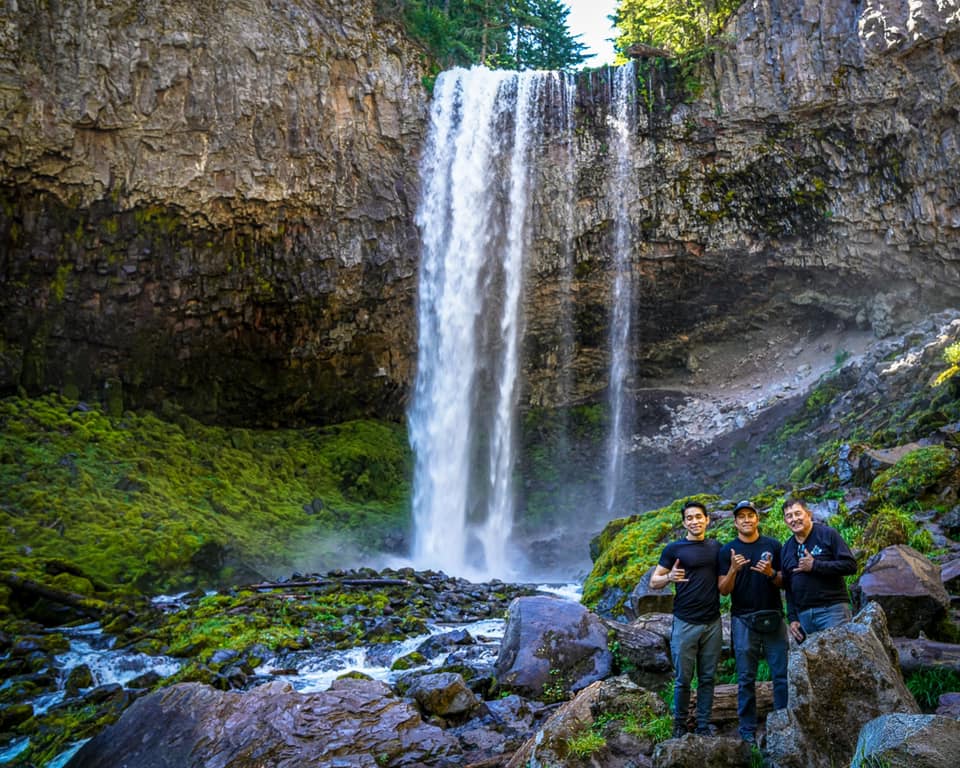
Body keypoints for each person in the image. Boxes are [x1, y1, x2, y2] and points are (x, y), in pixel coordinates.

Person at [718, 500, 789, 744]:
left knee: (781, 674)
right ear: (735, 522)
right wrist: (733, 570)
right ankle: (747, 728)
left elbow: (784, 582)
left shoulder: (773, 546)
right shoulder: (727, 550)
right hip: (743, 620)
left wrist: (770, 573)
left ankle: (783, 722)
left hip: (774, 617)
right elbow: (723, 590)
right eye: (741, 517)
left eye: (750, 515)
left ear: (757, 519)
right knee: (746, 677)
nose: (746, 519)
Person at [650, 500, 722, 738]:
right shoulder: (674, 549)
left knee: (708, 677)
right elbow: (654, 581)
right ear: (684, 523)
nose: (694, 521)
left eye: (698, 517)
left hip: (712, 622)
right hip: (685, 622)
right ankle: (679, 723)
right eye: (689, 518)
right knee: (683, 679)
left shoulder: (716, 547)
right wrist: (669, 576)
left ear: (707, 519)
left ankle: (703, 724)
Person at [780, 497, 857, 643]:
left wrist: (816, 565)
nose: (794, 519)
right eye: (789, 516)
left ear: (808, 514)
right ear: (785, 521)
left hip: (833, 611)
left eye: (798, 513)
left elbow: (850, 565)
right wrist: (792, 618)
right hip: (804, 619)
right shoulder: (786, 549)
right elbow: (788, 587)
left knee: (840, 659)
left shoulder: (827, 534)